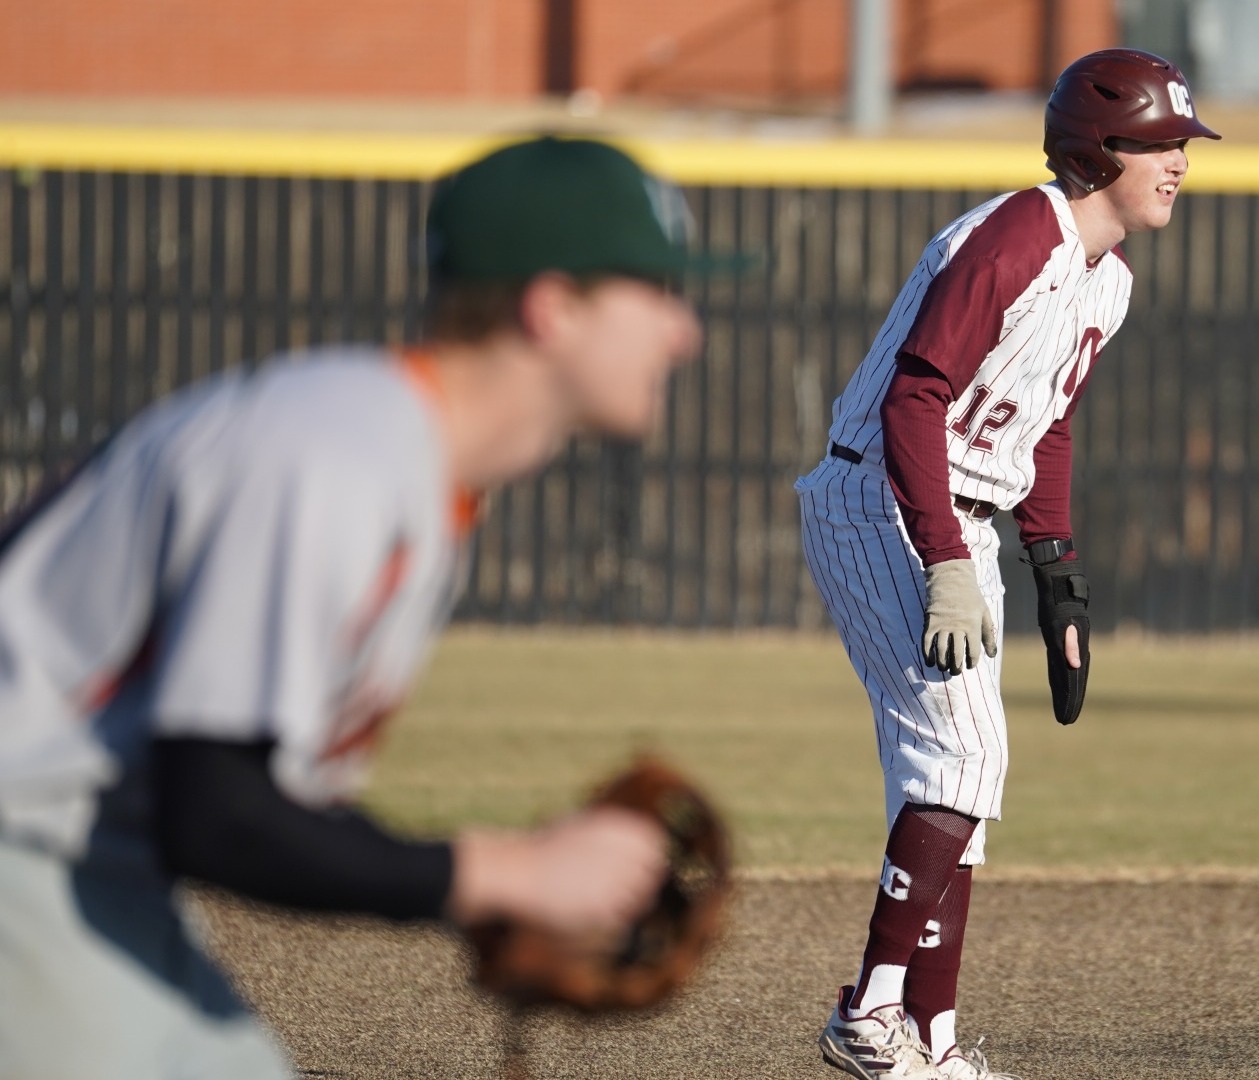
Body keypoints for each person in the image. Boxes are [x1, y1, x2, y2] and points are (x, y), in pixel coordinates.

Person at [0, 135, 739, 1079]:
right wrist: (504, 872)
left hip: (84, 862)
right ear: (552, 308)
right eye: (658, 293)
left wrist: (485, 890)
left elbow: (253, 808)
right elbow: (217, 810)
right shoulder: (338, 458)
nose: (685, 333)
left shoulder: (404, 465)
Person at [795, 49, 1219, 1080]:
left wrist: (1058, 578)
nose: (1178, 164)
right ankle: (868, 1014)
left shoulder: (1106, 282)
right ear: (1096, 147)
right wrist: (944, 557)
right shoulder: (1023, 232)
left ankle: (929, 1045)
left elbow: (1047, 433)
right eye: (1158, 143)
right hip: (884, 497)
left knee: (954, 789)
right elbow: (913, 398)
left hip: (960, 514)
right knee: (966, 762)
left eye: (1180, 147)